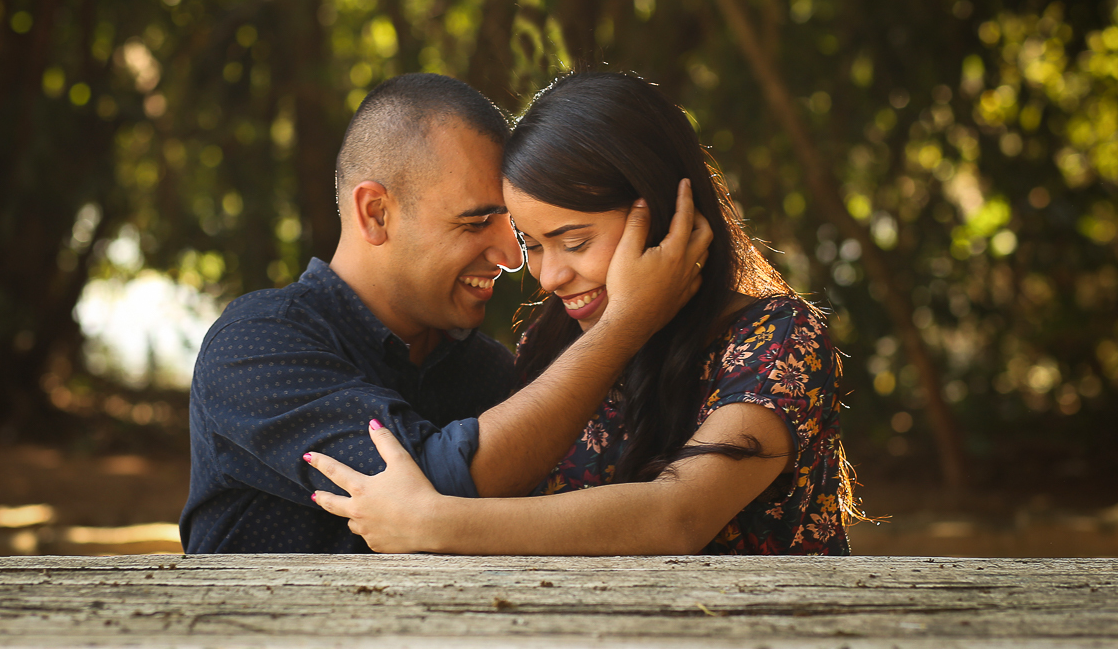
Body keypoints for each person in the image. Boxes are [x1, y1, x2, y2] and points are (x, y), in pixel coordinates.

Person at [308, 71, 857, 555]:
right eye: (535, 245)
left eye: (573, 242)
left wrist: (433, 522)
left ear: (666, 215)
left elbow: (679, 517)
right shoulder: (553, 345)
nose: (549, 279)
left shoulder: (778, 338)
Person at [180, 73, 712, 553]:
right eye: (476, 222)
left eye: (511, 228)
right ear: (376, 212)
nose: (510, 259)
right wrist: (626, 322)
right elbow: (432, 482)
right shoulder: (257, 344)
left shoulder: (491, 374)